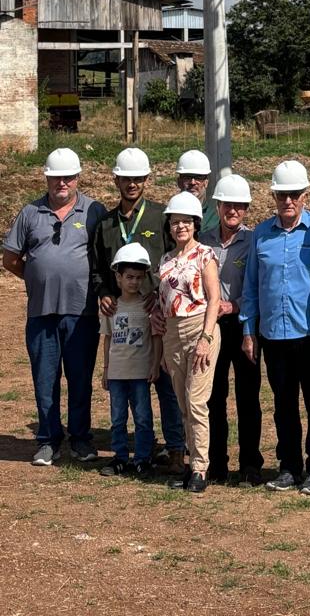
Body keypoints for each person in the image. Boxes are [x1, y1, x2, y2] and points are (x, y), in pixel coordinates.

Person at [2, 148, 106, 466]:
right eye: (56, 176)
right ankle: (48, 440)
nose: (62, 182)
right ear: (46, 177)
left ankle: (80, 439)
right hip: (41, 312)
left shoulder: (94, 211)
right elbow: (10, 259)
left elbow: (103, 256)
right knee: (44, 379)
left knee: (79, 377)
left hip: (81, 312)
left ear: (77, 178)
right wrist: (37, 278)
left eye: (68, 177)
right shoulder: (30, 213)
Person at [91, 147, 186, 474]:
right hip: (121, 316)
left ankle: (176, 449)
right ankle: (129, 453)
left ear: (147, 179)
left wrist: (158, 292)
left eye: (138, 178)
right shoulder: (105, 224)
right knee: (126, 392)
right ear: (116, 179)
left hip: (157, 316)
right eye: (126, 178)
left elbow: (176, 259)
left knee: (165, 385)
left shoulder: (161, 217)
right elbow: (98, 270)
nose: (132, 184)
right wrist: (104, 290)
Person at [240, 160, 310, 495]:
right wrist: (248, 330)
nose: (288, 201)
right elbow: (250, 286)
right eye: (282, 195)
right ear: (274, 196)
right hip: (274, 335)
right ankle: (289, 466)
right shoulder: (261, 234)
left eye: (294, 195)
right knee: (283, 404)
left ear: (306, 195)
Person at [200, 173, 263, 485]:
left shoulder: (254, 241)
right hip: (212, 327)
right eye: (227, 204)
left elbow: (258, 287)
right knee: (214, 396)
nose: (233, 210)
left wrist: (235, 305)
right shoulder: (204, 241)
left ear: (247, 208)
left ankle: (251, 464)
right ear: (218, 206)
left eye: (239, 205)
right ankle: (217, 463)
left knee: (248, 396)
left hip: (244, 326)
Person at [157, 190, 220, 493]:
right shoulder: (166, 260)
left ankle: (200, 468)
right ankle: (189, 461)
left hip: (199, 328)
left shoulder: (205, 255)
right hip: (172, 331)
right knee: (182, 403)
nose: (180, 227)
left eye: (186, 222)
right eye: (174, 222)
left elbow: (214, 298)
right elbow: (163, 303)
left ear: (195, 224)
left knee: (196, 401)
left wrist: (206, 337)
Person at [98, 242, 161, 478]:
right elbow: (107, 339)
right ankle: (120, 458)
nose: (134, 282)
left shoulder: (148, 306)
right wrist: (105, 369)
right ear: (118, 277)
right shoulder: (111, 307)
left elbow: (155, 337)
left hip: (140, 373)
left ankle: (143, 458)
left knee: (143, 418)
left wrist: (155, 365)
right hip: (116, 374)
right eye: (129, 277)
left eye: (138, 277)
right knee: (118, 418)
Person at [175, 149, 214, 234]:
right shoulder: (170, 215)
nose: (192, 182)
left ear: (206, 182)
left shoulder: (215, 217)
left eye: (198, 177)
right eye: (187, 177)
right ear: (179, 182)